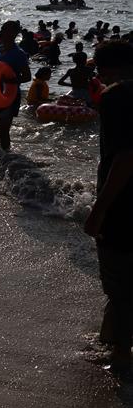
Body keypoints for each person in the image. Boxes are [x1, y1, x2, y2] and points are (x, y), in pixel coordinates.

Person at [84, 41, 133, 374]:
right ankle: (111, 337)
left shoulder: (117, 98)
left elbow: (126, 158)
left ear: (105, 69)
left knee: (119, 281)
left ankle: (121, 355)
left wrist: (99, 210)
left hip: (124, 205)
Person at [0, 20, 30, 151]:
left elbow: (27, 77)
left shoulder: (19, 54)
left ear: (14, 34)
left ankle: (7, 160)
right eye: (1, 29)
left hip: (10, 97)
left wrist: (9, 81)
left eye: (5, 30)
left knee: (3, 130)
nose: (1, 32)